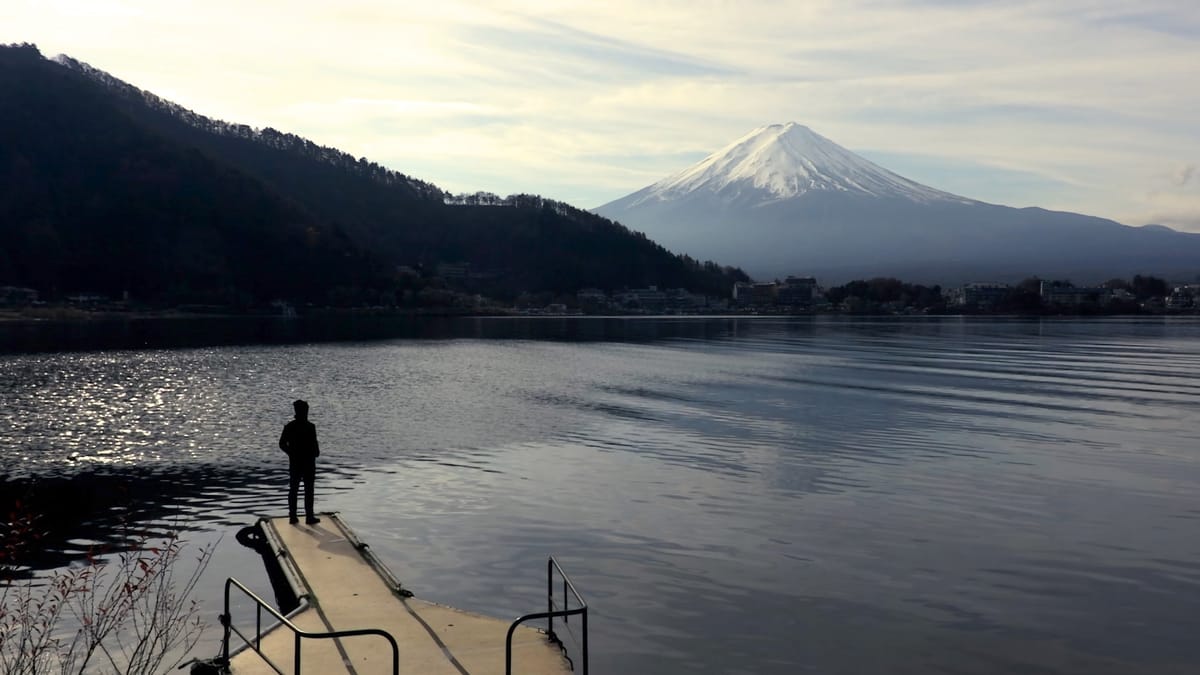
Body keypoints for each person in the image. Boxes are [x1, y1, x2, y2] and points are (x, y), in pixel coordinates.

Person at [279, 399, 320, 525]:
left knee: (297, 489)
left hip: (301, 462)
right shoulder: (304, 427)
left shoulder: (296, 426)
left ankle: (297, 516)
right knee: (304, 490)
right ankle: (305, 516)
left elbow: (282, 444)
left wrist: (291, 452)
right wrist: (292, 453)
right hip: (304, 462)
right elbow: (282, 444)